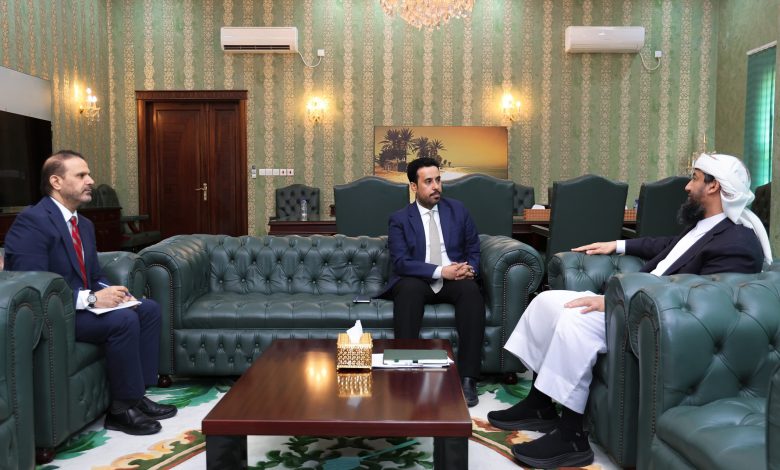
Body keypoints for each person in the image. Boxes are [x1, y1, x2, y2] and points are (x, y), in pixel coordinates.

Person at [488, 153, 771, 468]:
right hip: (635, 304)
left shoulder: (737, 242)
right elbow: (668, 247)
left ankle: (571, 436)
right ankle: (539, 404)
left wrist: (615, 302)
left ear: (714, 186)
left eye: (694, 178)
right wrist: (617, 245)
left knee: (575, 319)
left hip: (657, 320)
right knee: (546, 301)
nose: (687, 187)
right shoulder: (705, 227)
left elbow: (706, 302)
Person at [4, 150, 176, 436]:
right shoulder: (32, 221)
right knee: (123, 321)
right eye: (82, 175)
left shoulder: (83, 225)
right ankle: (121, 410)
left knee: (147, 309)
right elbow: (31, 287)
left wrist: (116, 294)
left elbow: (94, 277)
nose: (91, 181)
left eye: (89, 174)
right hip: (53, 317)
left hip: (81, 307)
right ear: (56, 182)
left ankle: (137, 395)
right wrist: (92, 299)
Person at [381, 157, 485, 407]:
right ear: (413, 187)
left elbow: (474, 247)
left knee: (471, 291)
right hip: (418, 278)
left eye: (438, 180)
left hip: (455, 279)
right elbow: (401, 263)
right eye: (428, 181)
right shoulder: (399, 219)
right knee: (407, 290)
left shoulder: (458, 210)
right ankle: (405, 373)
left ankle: (468, 378)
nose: (436, 186)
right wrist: (441, 271)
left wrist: (469, 269)